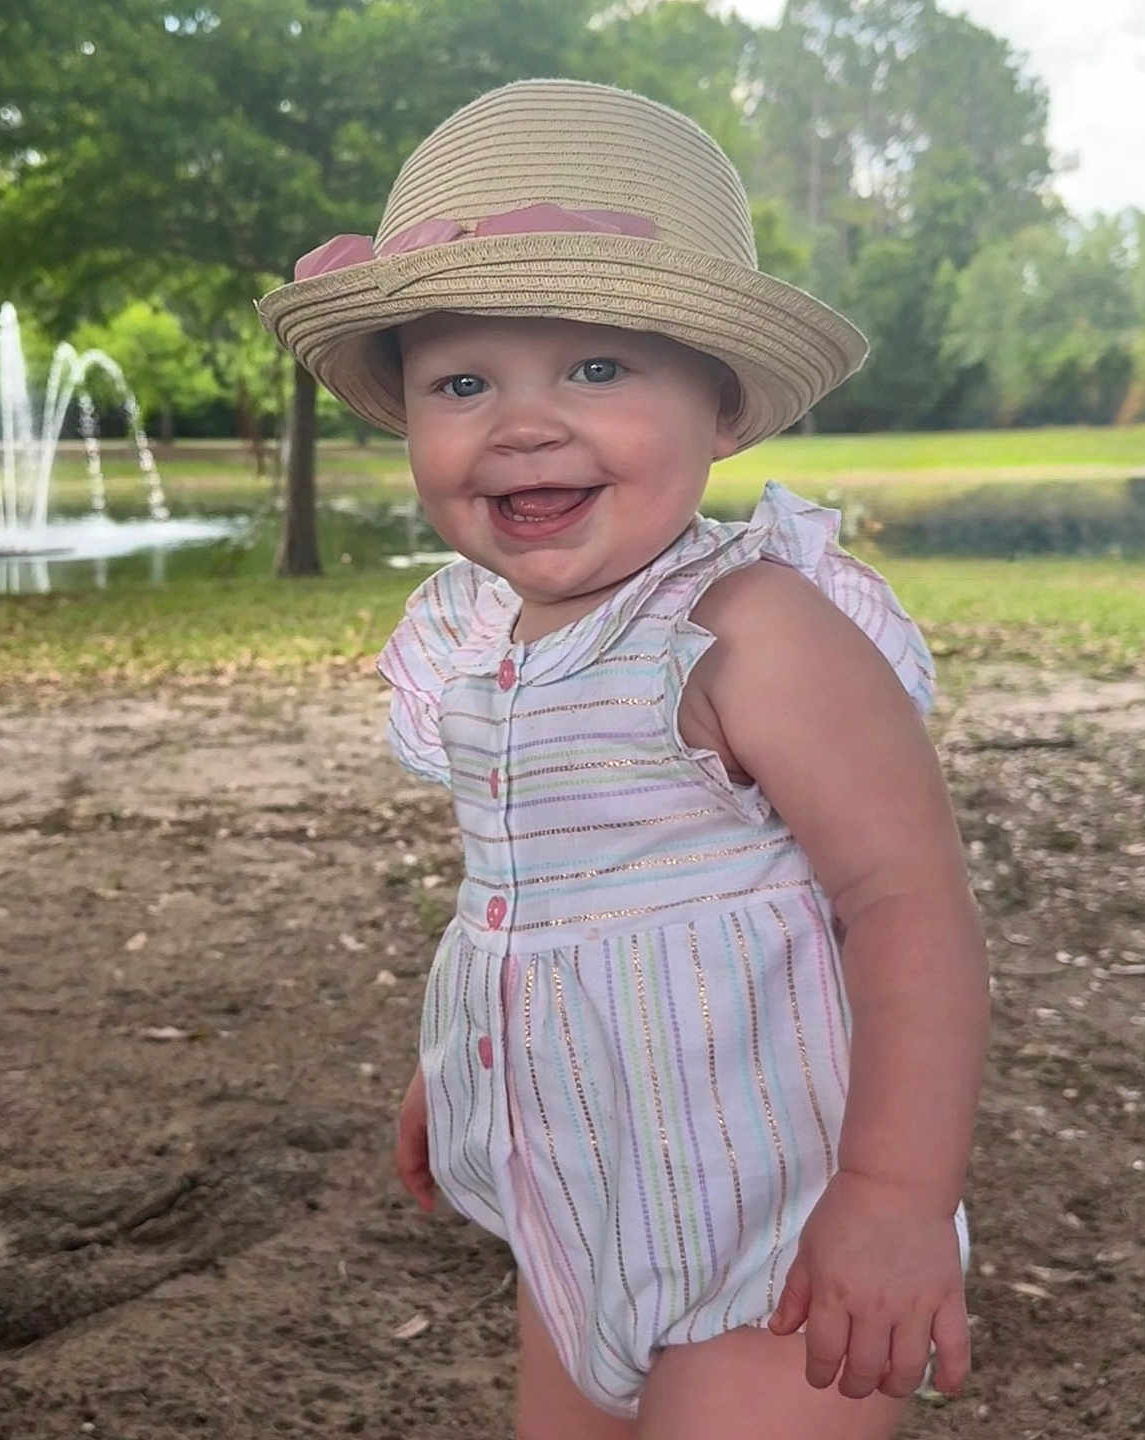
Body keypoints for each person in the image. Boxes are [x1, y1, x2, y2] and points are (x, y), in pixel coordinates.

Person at [258, 78, 988, 1440]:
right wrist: (465, 1066)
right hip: (578, 1203)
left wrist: (893, 1199)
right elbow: (524, 889)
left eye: (596, 369)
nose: (523, 424)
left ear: (723, 406)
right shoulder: (478, 636)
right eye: (462, 383)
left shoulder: (754, 628)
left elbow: (909, 903)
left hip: (777, 1229)